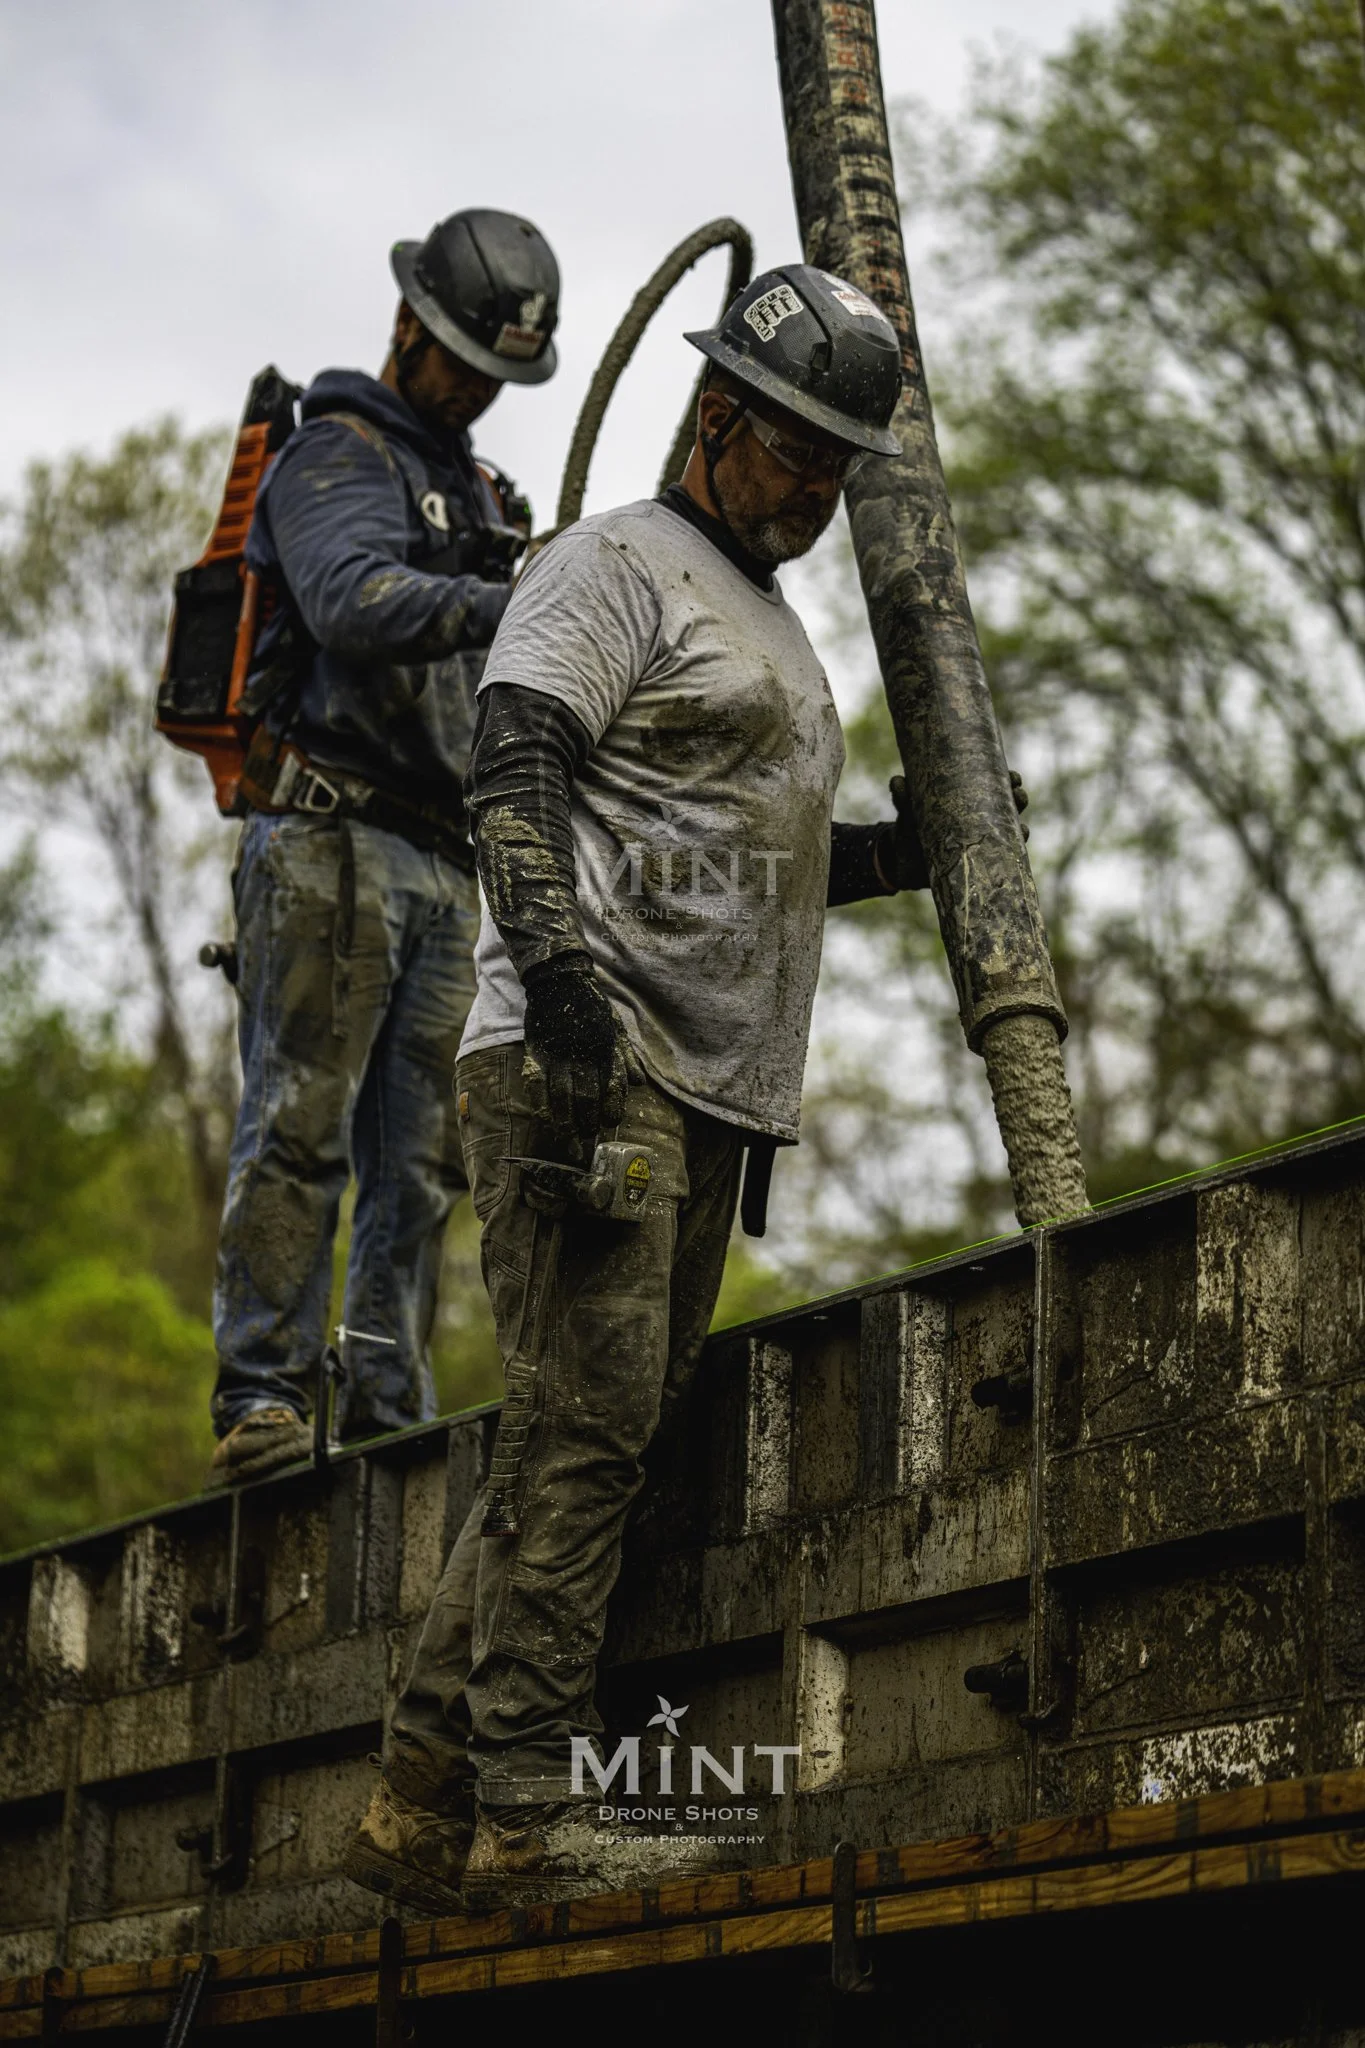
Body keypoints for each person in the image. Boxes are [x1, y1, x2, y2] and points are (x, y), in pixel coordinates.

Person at [347, 265, 1028, 1911]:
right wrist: (565, 982)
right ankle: (523, 1807)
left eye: (841, 468)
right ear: (721, 415)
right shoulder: (611, 566)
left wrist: (906, 851)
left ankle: (420, 1787)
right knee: (586, 1439)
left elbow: (747, 866)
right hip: (594, 1063)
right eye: (802, 455)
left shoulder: (770, 624)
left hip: (710, 1085)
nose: (819, 493)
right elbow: (518, 763)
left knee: (594, 1434)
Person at [208, 209, 560, 1488]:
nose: (475, 386)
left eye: (496, 369)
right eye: (464, 355)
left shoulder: (483, 497)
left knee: (416, 1167)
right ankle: (261, 1394)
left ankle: (383, 1405)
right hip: (328, 835)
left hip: (440, 859)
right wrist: (503, 595)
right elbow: (351, 600)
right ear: (411, 324)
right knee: (300, 1125)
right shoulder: (334, 455)